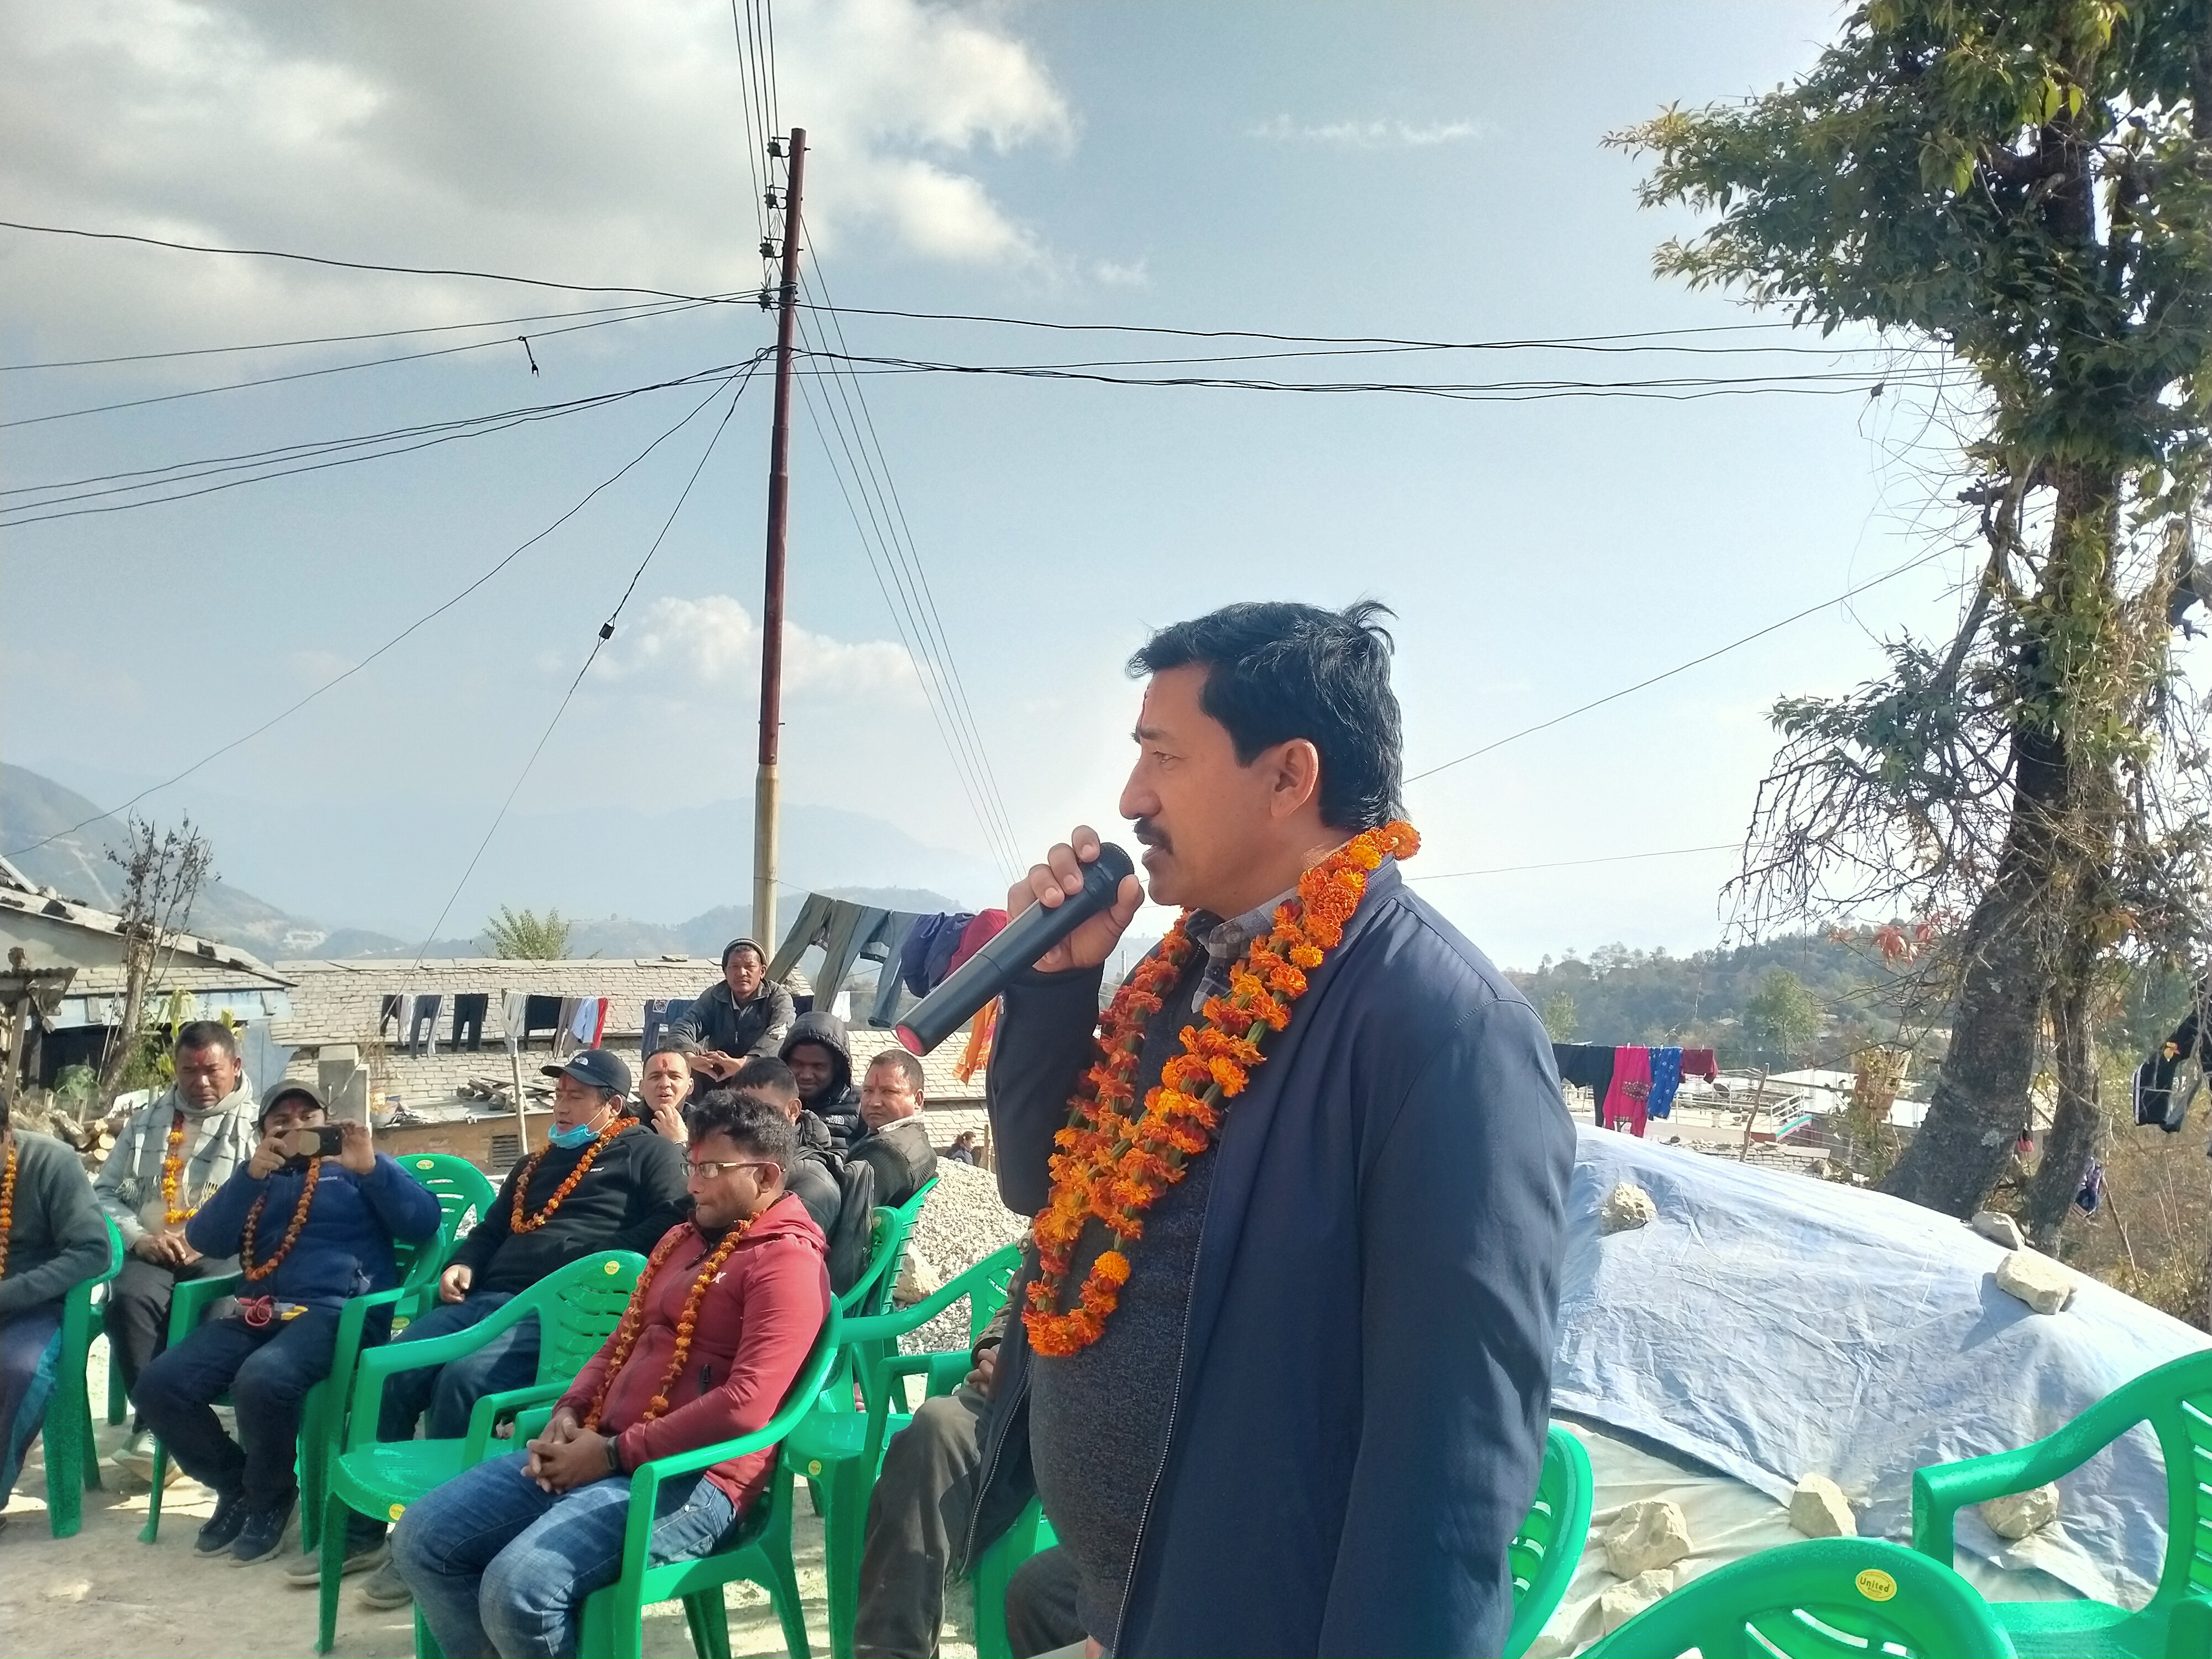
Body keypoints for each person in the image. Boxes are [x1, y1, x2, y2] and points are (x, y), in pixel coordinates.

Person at [978, 602, 1574, 1657]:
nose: (1132, 798)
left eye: (1165, 756)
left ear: (1291, 775)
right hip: (1127, 1609)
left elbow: (1455, 1461)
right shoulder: (1182, 978)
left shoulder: (1443, 1028)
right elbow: (1040, 1186)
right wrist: (1054, 990)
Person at [389, 1091, 832, 1659]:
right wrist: (570, 1411)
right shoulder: (682, 1240)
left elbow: (746, 1405)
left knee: (518, 1589)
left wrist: (612, 1455)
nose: (692, 1184)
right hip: (604, 1446)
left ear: (766, 1176)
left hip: (692, 1481)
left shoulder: (787, 1262)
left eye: (710, 1170)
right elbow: (620, 1343)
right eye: (691, 1165)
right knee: (423, 1537)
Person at [304, 1048, 690, 1603]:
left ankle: (441, 1541)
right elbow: (488, 1231)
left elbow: (671, 1221)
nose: (561, 1105)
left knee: (464, 1380)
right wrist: (463, 1262)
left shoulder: (648, 1152)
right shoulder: (533, 1164)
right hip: (489, 1298)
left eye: (576, 1096)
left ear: (612, 1105)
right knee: (391, 1370)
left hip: (566, 1308)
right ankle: (364, 1534)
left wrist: (589, 1260)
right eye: (559, 1094)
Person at [136, 1081, 442, 1564]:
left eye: (308, 1117)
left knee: (263, 1378)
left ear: (327, 1122)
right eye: (282, 1121)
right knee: (159, 1386)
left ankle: (270, 1498)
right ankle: (237, 1486)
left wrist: (372, 1168)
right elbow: (206, 1239)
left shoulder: (357, 1168)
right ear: (263, 1133)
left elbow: (424, 1222)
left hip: (338, 1315)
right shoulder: (257, 1179)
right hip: (258, 1312)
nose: (296, 1126)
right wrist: (249, 1177)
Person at [854, 1300, 1082, 1659]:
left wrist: (1039, 1377)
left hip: (1095, 1412)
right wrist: (998, 1349)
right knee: (935, 1428)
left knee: (1039, 1593)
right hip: (1011, 1395)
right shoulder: (1054, 1253)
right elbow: (1019, 1302)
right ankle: (893, 1650)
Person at [93, 1018, 259, 1482]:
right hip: (154, 1246)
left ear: (235, 1066)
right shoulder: (146, 1122)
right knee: (129, 1301)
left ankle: (183, 1427)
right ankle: (155, 1427)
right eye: (189, 1071)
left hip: (226, 1252)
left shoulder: (258, 1123)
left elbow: (269, 1200)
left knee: (217, 1311)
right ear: (175, 1069)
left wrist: (209, 1235)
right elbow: (104, 1192)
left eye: (212, 1070)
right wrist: (138, 1237)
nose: (200, 1082)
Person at [0, 1091, 111, 1530]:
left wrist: (10, 1294)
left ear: (7, 1135)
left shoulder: (52, 1162)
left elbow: (93, 1250)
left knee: (18, 1370)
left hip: (38, 1307)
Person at [724, 1056, 842, 1238]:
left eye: (761, 1111)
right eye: (738, 1111)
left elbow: (779, 1245)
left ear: (793, 1111)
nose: (746, 1122)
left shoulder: (812, 1180)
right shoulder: (736, 1157)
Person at [670, 938, 795, 1086]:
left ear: (762, 971)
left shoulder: (778, 997)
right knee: (684, 1060)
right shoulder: (714, 996)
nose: (742, 973)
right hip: (718, 1074)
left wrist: (746, 1063)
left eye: (749, 967)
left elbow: (780, 1033)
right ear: (725, 972)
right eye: (734, 967)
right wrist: (690, 1058)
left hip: (762, 1075)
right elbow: (683, 1027)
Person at [849, 1049, 939, 1209]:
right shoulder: (915, 1137)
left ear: (917, 1100)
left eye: (889, 1092)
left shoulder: (883, 1154)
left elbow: (844, 1216)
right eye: (868, 1091)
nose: (874, 1102)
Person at [781, 1009, 864, 1151]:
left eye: (818, 1067)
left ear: (837, 1068)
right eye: (798, 1064)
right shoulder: (771, 1101)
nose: (806, 1075)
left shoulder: (861, 1105)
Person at [639, 1042, 697, 1144]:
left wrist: (681, 1141)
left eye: (675, 1077)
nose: (665, 1084)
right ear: (642, 1087)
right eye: (655, 1077)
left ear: (690, 1086)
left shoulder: (706, 1126)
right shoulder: (624, 1126)